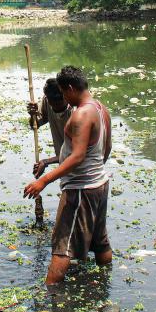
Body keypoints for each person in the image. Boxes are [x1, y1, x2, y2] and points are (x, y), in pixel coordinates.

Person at [23, 66, 113, 285]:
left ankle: (50, 295)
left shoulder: (81, 114)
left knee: (62, 248)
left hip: (80, 189)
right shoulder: (101, 108)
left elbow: (77, 156)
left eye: (64, 93)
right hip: (99, 183)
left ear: (71, 88)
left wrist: (43, 180)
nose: (63, 98)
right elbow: (106, 149)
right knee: (100, 242)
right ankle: (104, 285)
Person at [27, 78, 73, 178]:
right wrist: (32, 115)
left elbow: (74, 153)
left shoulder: (75, 112)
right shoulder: (47, 101)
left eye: (58, 104)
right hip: (62, 162)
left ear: (65, 97)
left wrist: (46, 162)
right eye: (51, 103)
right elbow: (35, 125)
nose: (54, 107)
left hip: (78, 165)